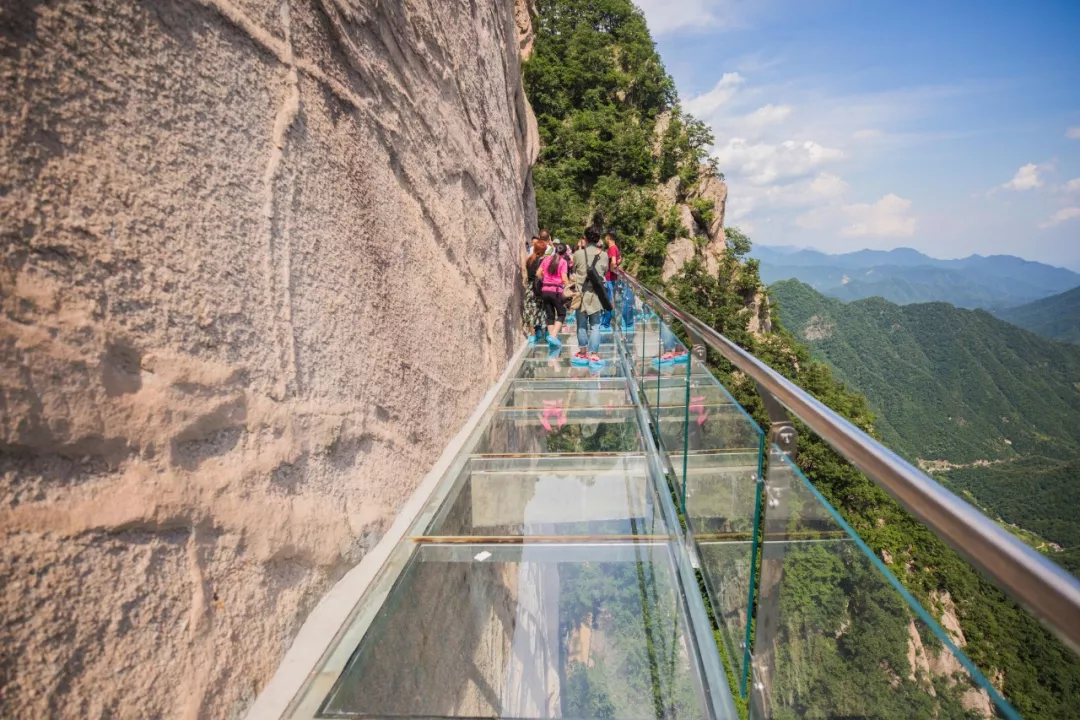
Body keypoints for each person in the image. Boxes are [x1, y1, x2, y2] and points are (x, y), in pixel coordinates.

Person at [571, 227, 610, 366]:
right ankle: (594, 355)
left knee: (581, 325)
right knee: (595, 325)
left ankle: (582, 353)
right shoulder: (604, 255)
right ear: (598, 239)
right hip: (596, 295)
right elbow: (605, 272)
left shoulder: (578, 254)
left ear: (585, 239)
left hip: (581, 294)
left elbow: (574, 269)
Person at [537, 240, 570, 350]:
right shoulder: (563, 262)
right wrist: (570, 288)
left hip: (545, 290)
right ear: (564, 253)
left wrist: (545, 280)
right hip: (556, 291)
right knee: (562, 313)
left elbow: (538, 273)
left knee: (550, 315)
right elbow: (564, 278)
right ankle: (553, 335)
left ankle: (553, 341)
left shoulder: (546, 259)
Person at [522, 237, 548, 343]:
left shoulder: (529, 259)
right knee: (540, 309)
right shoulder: (544, 261)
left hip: (529, 288)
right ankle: (539, 331)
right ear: (543, 250)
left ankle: (532, 334)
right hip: (539, 288)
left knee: (530, 310)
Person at [600, 230, 621, 329]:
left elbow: (613, 261)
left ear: (608, 237)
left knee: (608, 300)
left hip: (609, 278)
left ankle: (606, 323)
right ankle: (607, 320)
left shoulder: (612, 248)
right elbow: (619, 259)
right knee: (610, 299)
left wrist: (612, 269)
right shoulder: (616, 247)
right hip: (612, 278)